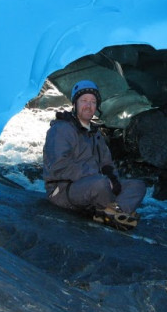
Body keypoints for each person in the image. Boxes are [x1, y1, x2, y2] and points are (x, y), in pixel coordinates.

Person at [43, 80, 145, 230]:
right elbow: (58, 166)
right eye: (84, 100)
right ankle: (117, 211)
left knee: (137, 185)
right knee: (100, 184)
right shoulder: (61, 129)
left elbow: (107, 164)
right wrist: (96, 176)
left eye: (93, 102)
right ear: (75, 104)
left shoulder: (95, 134)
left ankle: (113, 210)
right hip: (64, 189)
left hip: (94, 186)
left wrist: (114, 180)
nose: (88, 105)